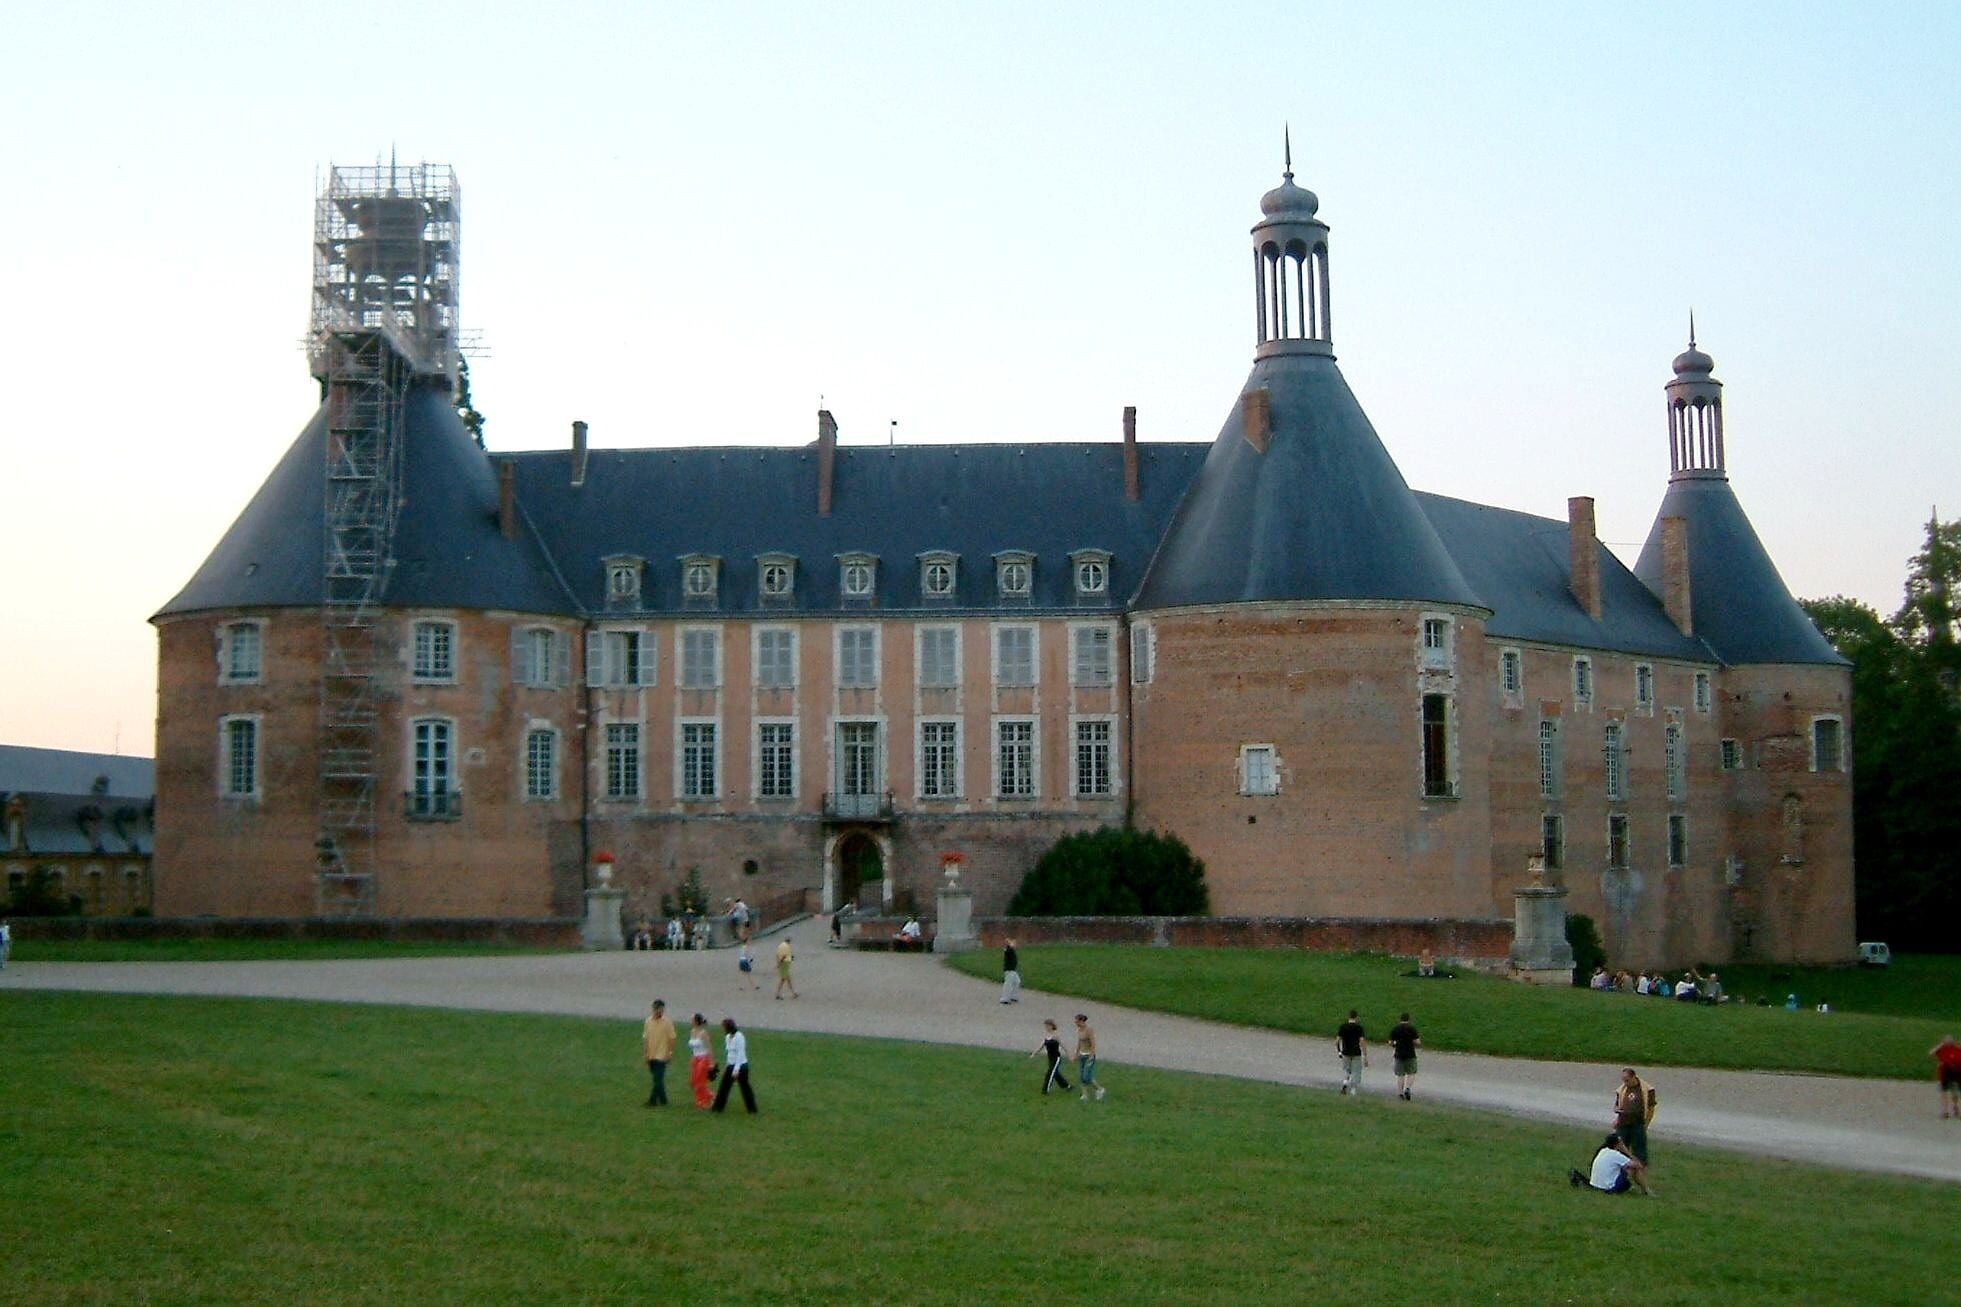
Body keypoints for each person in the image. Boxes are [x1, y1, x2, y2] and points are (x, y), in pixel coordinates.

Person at [1571, 1132, 1652, 1195]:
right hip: (1608, 1188)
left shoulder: (1603, 1151)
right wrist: (1627, 1152)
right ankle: (1646, 1190)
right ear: (1617, 1144)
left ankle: (1636, 1188)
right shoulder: (1616, 1155)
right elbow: (1639, 1165)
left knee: (1623, 1166)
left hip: (1595, 1184)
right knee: (1633, 1168)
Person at [711, 1017, 757, 1114]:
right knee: (724, 1087)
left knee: (745, 1087)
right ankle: (717, 1107)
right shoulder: (728, 1037)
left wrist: (736, 1070)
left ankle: (752, 1108)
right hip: (731, 1065)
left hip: (741, 1066)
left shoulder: (739, 1037)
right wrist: (728, 1065)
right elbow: (730, 1053)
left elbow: (740, 1053)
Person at [1613, 1067, 1652, 1164]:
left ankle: (1640, 1172)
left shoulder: (1646, 1089)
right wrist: (1617, 1115)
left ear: (1633, 1077)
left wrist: (1646, 1123)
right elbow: (1617, 1105)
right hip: (1623, 1123)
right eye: (1624, 1080)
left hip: (1637, 1124)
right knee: (1620, 1150)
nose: (1625, 1083)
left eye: (1627, 1080)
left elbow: (1651, 1108)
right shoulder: (1622, 1090)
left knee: (1639, 1153)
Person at [641, 999, 676, 1107]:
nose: (661, 1012)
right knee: (657, 1079)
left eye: (662, 1010)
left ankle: (652, 1101)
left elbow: (672, 1038)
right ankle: (664, 1100)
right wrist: (645, 1052)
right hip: (651, 1054)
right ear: (654, 1009)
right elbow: (646, 1038)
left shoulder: (667, 1022)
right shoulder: (648, 1021)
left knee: (658, 1079)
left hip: (662, 1055)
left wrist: (670, 1052)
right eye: (659, 1010)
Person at [1032, 1019, 1071, 1094]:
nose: (1046, 1027)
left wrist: (1069, 1054)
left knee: (1049, 1073)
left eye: (1047, 1026)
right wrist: (1034, 1053)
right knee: (1055, 1074)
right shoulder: (1046, 1036)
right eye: (1045, 1026)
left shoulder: (1055, 1036)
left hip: (1056, 1058)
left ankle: (1045, 1090)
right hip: (1050, 1058)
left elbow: (1062, 1045)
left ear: (1051, 1026)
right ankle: (1067, 1086)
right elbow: (1041, 1046)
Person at [1387, 1012, 1420, 1101]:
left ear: (1400, 1019)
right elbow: (1417, 1042)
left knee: (1400, 1075)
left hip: (1399, 1054)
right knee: (1412, 1072)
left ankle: (1400, 1093)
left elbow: (1390, 1042)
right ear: (1409, 1020)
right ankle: (1408, 1088)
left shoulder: (1396, 1029)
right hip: (1410, 1054)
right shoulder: (1412, 1029)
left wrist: (1395, 1044)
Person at [1335, 1009, 1368, 1096]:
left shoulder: (1343, 1027)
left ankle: (1345, 1083)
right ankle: (1353, 1089)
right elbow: (1362, 1042)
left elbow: (1337, 1041)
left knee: (1347, 1070)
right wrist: (1365, 1055)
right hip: (1356, 1052)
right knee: (1356, 1071)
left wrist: (1339, 1051)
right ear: (1356, 1017)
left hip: (1345, 1052)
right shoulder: (1359, 1028)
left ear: (1348, 1017)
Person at [1073, 1013, 1105, 1101]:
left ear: (1081, 1021)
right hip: (1082, 1055)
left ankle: (1099, 1089)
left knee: (1086, 1076)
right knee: (1081, 1076)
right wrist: (1076, 1054)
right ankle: (1085, 1094)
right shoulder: (1079, 1030)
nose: (1076, 1023)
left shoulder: (1089, 1030)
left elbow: (1093, 1043)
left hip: (1088, 1056)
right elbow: (1079, 1043)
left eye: (1077, 1021)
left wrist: (1091, 1055)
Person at [687, 1013, 716, 1109]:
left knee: (700, 1082)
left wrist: (711, 1064)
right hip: (695, 1058)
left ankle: (701, 1102)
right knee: (693, 1081)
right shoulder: (692, 1031)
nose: (690, 1021)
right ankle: (711, 1095)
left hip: (703, 1059)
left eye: (691, 1019)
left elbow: (709, 1048)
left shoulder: (703, 1033)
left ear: (696, 1021)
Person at [1931, 1036, 1961, 1119]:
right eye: (1946, 1041)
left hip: (1955, 1075)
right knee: (1944, 1093)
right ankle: (1945, 1111)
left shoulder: (1957, 1050)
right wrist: (1941, 1045)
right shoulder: (1941, 1049)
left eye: (1950, 1041)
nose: (1948, 1043)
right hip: (1944, 1074)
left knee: (1955, 1093)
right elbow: (1931, 1053)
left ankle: (1955, 1107)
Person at [1000, 937, 1021, 1004]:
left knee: (1017, 981)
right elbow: (1007, 951)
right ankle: (1005, 999)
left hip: (1013, 970)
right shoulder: (1007, 949)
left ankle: (1013, 996)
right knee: (1008, 984)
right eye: (1013, 943)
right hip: (1009, 970)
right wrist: (1009, 944)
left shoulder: (1011, 949)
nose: (1015, 944)